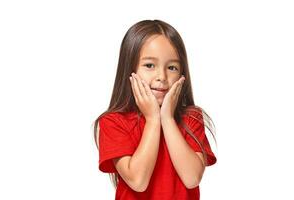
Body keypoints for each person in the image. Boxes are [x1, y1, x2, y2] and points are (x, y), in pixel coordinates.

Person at [93, 19, 217, 200]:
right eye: (149, 65)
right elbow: (138, 180)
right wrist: (153, 119)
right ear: (129, 69)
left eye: (172, 67)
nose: (162, 77)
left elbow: (192, 178)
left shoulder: (192, 118)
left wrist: (167, 118)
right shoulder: (113, 121)